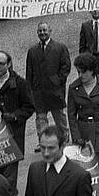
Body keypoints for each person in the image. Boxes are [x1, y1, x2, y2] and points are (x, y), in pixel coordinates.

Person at [0, 50, 34, 194]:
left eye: (1, 64)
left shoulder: (20, 83)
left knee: (9, 178)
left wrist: (15, 116)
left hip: (12, 138)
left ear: (9, 64)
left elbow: (29, 107)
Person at [26, 22, 71, 151]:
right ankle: (43, 142)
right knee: (40, 119)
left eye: (45, 30)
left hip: (55, 90)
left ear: (50, 31)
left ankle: (64, 139)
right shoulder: (32, 51)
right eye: (40, 31)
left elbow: (66, 66)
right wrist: (30, 89)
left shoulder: (60, 47)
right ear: (37, 33)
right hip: (38, 91)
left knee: (59, 116)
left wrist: (58, 80)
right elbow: (29, 72)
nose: (42, 33)